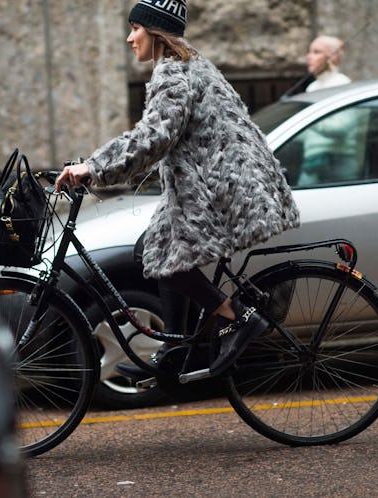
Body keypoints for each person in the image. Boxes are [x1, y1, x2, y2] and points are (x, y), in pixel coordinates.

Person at [55, 0, 300, 378]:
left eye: (136, 28)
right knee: (152, 251)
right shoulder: (189, 64)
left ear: (156, 32)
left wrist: (94, 167)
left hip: (224, 187)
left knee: (164, 261)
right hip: (224, 181)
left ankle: (236, 316)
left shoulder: (173, 73)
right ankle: (174, 351)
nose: (129, 37)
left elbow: (153, 137)